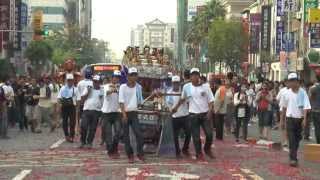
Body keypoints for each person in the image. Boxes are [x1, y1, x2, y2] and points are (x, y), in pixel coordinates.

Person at [173, 68, 215, 160]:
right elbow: (182, 99)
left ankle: (207, 149)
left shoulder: (205, 87)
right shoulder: (186, 87)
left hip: (204, 114)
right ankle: (199, 153)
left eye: (196, 75)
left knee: (209, 134)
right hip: (193, 115)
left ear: (199, 76)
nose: (194, 77)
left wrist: (210, 111)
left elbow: (211, 100)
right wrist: (175, 107)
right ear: (190, 77)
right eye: (192, 75)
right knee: (196, 137)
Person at [282, 72, 311, 167]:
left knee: (297, 139)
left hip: (299, 119)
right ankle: (293, 159)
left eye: (292, 81)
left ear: (296, 81)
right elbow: (284, 108)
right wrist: (282, 121)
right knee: (291, 139)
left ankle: (293, 155)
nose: (290, 83)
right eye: (289, 81)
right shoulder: (286, 93)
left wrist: (305, 119)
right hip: (290, 119)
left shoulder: (303, 92)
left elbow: (306, 107)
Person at [119, 67, 145, 163]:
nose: (134, 77)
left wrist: (152, 95)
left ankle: (140, 153)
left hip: (134, 113)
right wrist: (124, 114)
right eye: (132, 75)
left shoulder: (139, 87)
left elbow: (140, 102)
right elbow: (121, 102)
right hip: (124, 113)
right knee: (126, 136)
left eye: (135, 75)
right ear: (128, 76)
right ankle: (130, 155)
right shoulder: (123, 87)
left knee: (139, 134)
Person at [166, 75, 191, 159]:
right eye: (174, 83)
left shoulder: (184, 91)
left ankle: (185, 149)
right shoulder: (169, 92)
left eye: (177, 83)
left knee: (188, 133)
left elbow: (187, 101)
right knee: (175, 136)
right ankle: (177, 152)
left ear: (179, 83)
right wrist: (171, 109)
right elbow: (168, 103)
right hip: (175, 117)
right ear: (172, 83)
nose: (176, 85)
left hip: (185, 115)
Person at [101, 70, 122, 157]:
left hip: (116, 113)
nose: (116, 79)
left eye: (118, 77)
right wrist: (113, 89)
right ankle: (110, 151)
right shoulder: (106, 86)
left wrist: (118, 89)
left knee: (118, 132)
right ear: (112, 78)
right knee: (108, 134)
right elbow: (107, 92)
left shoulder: (121, 87)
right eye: (115, 77)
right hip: (107, 113)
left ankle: (114, 148)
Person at [79, 75, 103, 149]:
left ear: (99, 82)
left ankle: (89, 142)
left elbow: (104, 102)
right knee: (83, 126)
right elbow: (82, 100)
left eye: (97, 82)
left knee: (93, 128)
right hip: (86, 110)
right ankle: (83, 141)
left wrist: (102, 114)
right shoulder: (88, 88)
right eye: (94, 81)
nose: (95, 83)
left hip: (97, 111)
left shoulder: (102, 91)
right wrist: (88, 93)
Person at [57, 74, 80, 143]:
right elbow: (59, 98)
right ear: (67, 81)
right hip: (64, 107)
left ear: (73, 81)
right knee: (65, 122)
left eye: (71, 80)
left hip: (72, 107)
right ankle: (66, 135)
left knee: (72, 122)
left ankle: (72, 136)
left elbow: (78, 99)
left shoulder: (75, 89)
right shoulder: (62, 88)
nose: (70, 82)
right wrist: (59, 106)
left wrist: (78, 108)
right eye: (68, 80)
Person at [277, 79, 290, 147]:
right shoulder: (282, 90)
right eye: (286, 82)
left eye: (289, 82)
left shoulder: (292, 90)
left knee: (287, 126)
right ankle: (284, 140)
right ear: (285, 83)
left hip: (290, 110)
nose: (288, 83)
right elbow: (277, 98)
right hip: (282, 109)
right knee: (282, 125)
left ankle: (286, 140)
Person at [308, 76, 320, 144]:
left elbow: (309, 98)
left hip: (316, 110)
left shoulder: (312, 88)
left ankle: (318, 143)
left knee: (317, 127)